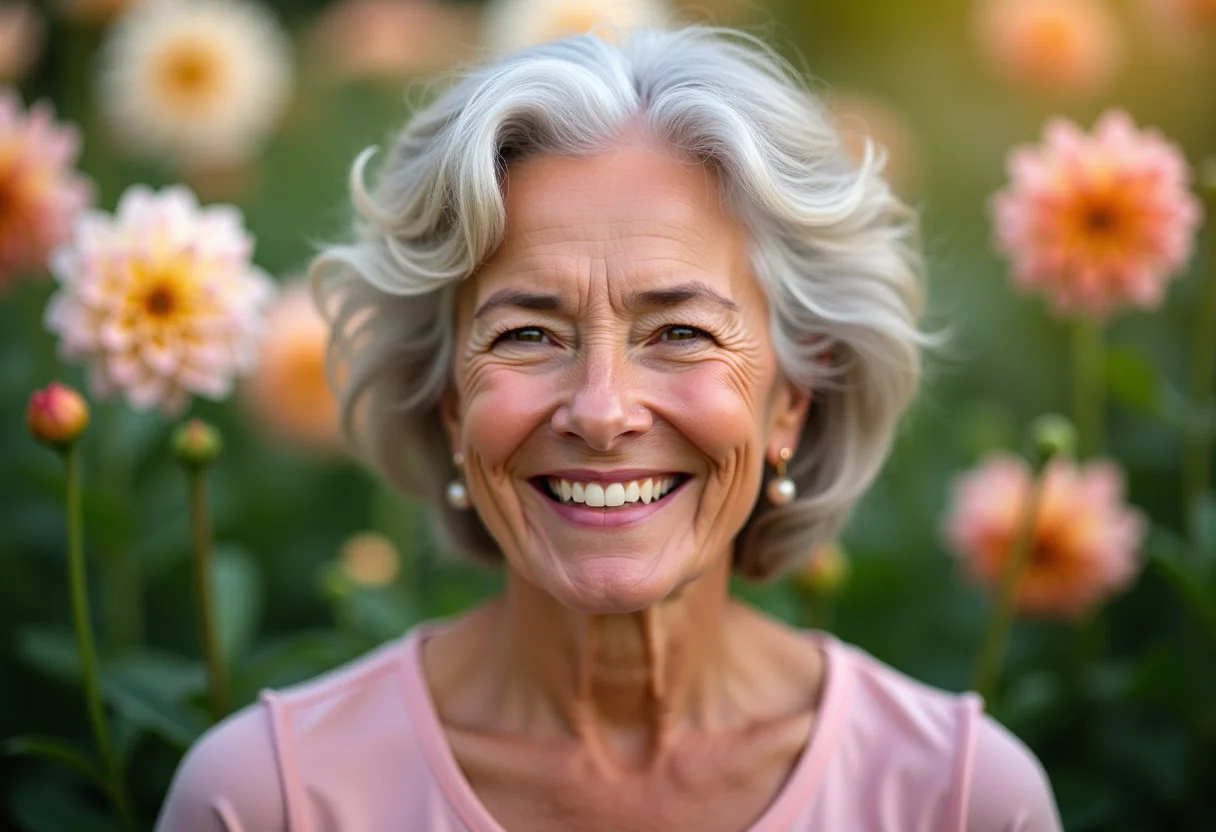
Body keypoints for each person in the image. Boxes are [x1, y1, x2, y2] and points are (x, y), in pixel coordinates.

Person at [155, 25, 1062, 832]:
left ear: (793, 396)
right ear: (448, 402)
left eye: (680, 333)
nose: (600, 410)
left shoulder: (962, 800)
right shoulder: (267, 799)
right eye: (526, 335)